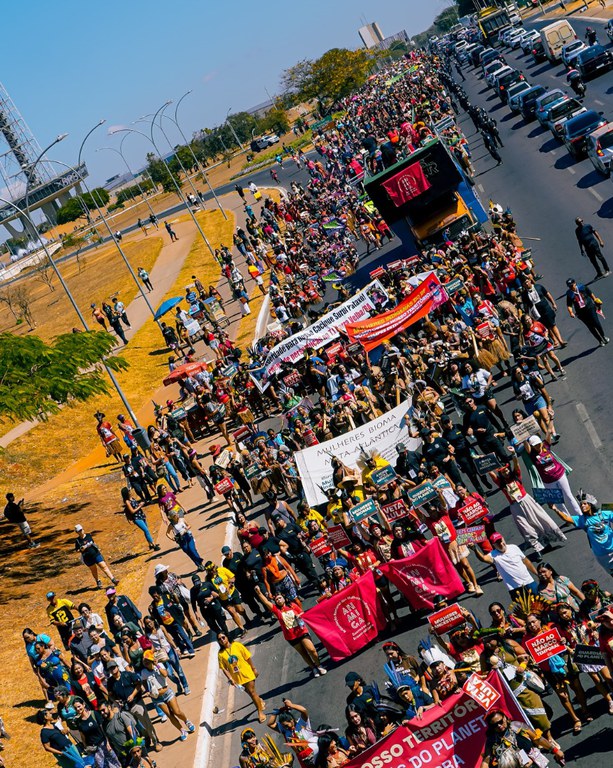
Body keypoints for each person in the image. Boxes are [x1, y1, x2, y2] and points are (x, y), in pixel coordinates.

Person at [255, 587, 327, 677]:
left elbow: (302, 613)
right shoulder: (276, 611)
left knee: (311, 649)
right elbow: (266, 602)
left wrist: (298, 616)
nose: (278, 600)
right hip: (291, 636)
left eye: (280, 598)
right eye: (276, 599)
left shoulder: (292, 605)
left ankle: (319, 665)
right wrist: (259, 593)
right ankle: (313, 668)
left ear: (284, 598)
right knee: (303, 653)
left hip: (301, 631)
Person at [554, 490, 613, 577]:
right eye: (581, 504)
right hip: (602, 556)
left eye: (585, 503)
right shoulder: (581, 519)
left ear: (590, 504)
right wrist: (555, 509)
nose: (582, 506)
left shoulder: (604, 512)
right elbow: (566, 518)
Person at [140, 650, 195, 741]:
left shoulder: (159, 666)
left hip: (167, 693)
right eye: (144, 661)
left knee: (177, 711)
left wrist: (156, 665)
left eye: (147, 660)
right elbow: (144, 682)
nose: (145, 662)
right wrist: (148, 691)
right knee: (170, 715)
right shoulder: (144, 672)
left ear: (151, 660)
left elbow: (165, 674)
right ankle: (182, 730)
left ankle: (187, 721)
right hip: (157, 698)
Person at [481, 708, 564, 768]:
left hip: (536, 761)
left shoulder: (517, 726)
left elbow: (537, 739)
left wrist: (555, 750)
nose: (499, 726)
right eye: (494, 725)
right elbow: (486, 761)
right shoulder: (492, 740)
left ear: (505, 717)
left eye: (500, 722)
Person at [469, 533, 538, 597]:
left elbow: (526, 561)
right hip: (515, 589)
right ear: (493, 545)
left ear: (503, 538)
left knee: (543, 604)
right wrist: (475, 549)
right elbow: (483, 558)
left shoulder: (514, 547)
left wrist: (537, 574)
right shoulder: (493, 555)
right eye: (497, 543)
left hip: (529, 582)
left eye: (501, 540)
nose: (501, 544)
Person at [217, 632, 266, 722]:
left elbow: (247, 657)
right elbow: (224, 669)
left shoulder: (237, 645)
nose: (222, 640)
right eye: (219, 639)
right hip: (237, 678)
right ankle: (259, 701)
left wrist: (254, 669)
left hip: (247, 673)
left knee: (252, 692)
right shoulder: (221, 654)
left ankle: (260, 712)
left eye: (223, 637)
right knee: (249, 692)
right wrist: (230, 679)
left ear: (227, 637)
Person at [267, 698, 319, 766]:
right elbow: (270, 724)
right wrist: (276, 713)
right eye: (283, 726)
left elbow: (304, 710)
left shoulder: (301, 724)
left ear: (291, 720)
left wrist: (291, 705)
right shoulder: (285, 731)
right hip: (302, 758)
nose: (285, 727)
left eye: (286, 725)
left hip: (314, 752)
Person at [72, 697, 122, 768]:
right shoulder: (79, 722)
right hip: (94, 749)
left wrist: (108, 742)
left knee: (114, 763)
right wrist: (86, 749)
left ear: (83, 705)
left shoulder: (94, 714)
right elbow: (83, 736)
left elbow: (103, 729)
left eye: (79, 706)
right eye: (75, 708)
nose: (77, 709)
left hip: (104, 744)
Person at [565, 277, 609, 347]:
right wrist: (571, 312)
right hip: (581, 313)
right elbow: (569, 305)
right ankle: (600, 341)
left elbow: (590, 293)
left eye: (572, 285)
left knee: (596, 323)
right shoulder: (569, 294)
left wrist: (595, 300)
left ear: (575, 283)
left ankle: (603, 336)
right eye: (569, 286)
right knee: (591, 327)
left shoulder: (582, 287)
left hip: (590, 308)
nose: (571, 287)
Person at [74, 524, 119, 589]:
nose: (81, 531)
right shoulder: (77, 541)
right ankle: (98, 581)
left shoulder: (88, 535)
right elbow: (77, 550)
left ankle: (113, 579)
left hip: (95, 554)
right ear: (77, 532)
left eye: (81, 530)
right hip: (87, 557)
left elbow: (92, 542)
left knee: (103, 566)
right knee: (94, 570)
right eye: (79, 531)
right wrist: (81, 549)